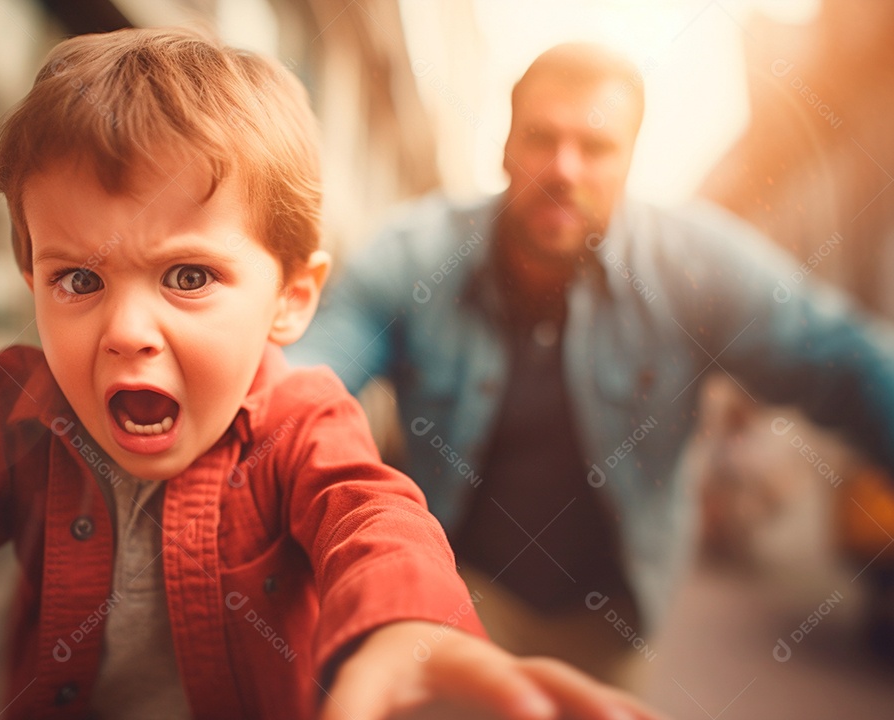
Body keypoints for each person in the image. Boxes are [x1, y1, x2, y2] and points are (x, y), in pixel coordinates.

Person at [0, 29, 665, 720]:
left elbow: (372, 518)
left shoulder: (301, 423)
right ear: (33, 280)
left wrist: (411, 628)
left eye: (188, 278)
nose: (127, 332)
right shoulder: (20, 408)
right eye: (79, 280)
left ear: (291, 299)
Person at [287, 42, 894, 686]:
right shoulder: (416, 254)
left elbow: (845, 364)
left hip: (610, 626)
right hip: (456, 596)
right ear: (505, 147)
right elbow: (304, 384)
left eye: (596, 147)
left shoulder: (692, 263)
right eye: (541, 138)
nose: (564, 169)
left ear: (631, 161)